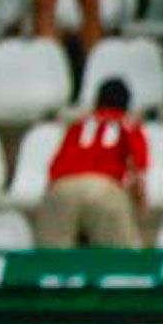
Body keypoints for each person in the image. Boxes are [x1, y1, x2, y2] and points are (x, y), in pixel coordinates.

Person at [36, 79, 148, 250]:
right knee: (119, 261)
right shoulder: (128, 125)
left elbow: (54, 168)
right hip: (102, 188)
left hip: (62, 187)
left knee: (53, 262)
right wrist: (140, 206)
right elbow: (137, 171)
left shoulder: (78, 125)